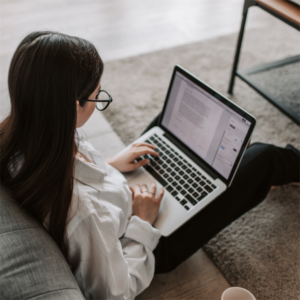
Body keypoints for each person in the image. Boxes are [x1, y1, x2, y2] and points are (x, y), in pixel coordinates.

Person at [0, 31, 299, 300]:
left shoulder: (27, 133)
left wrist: (109, 165)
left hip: (122, 200)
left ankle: (224, 155)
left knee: (166, 129)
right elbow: (115, 292)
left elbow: (78, 178)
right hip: (149, 241)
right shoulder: (85, 214)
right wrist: (142, 222)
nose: (100, 99)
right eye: (97, 97)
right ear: (72, 106)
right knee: (264, 158)